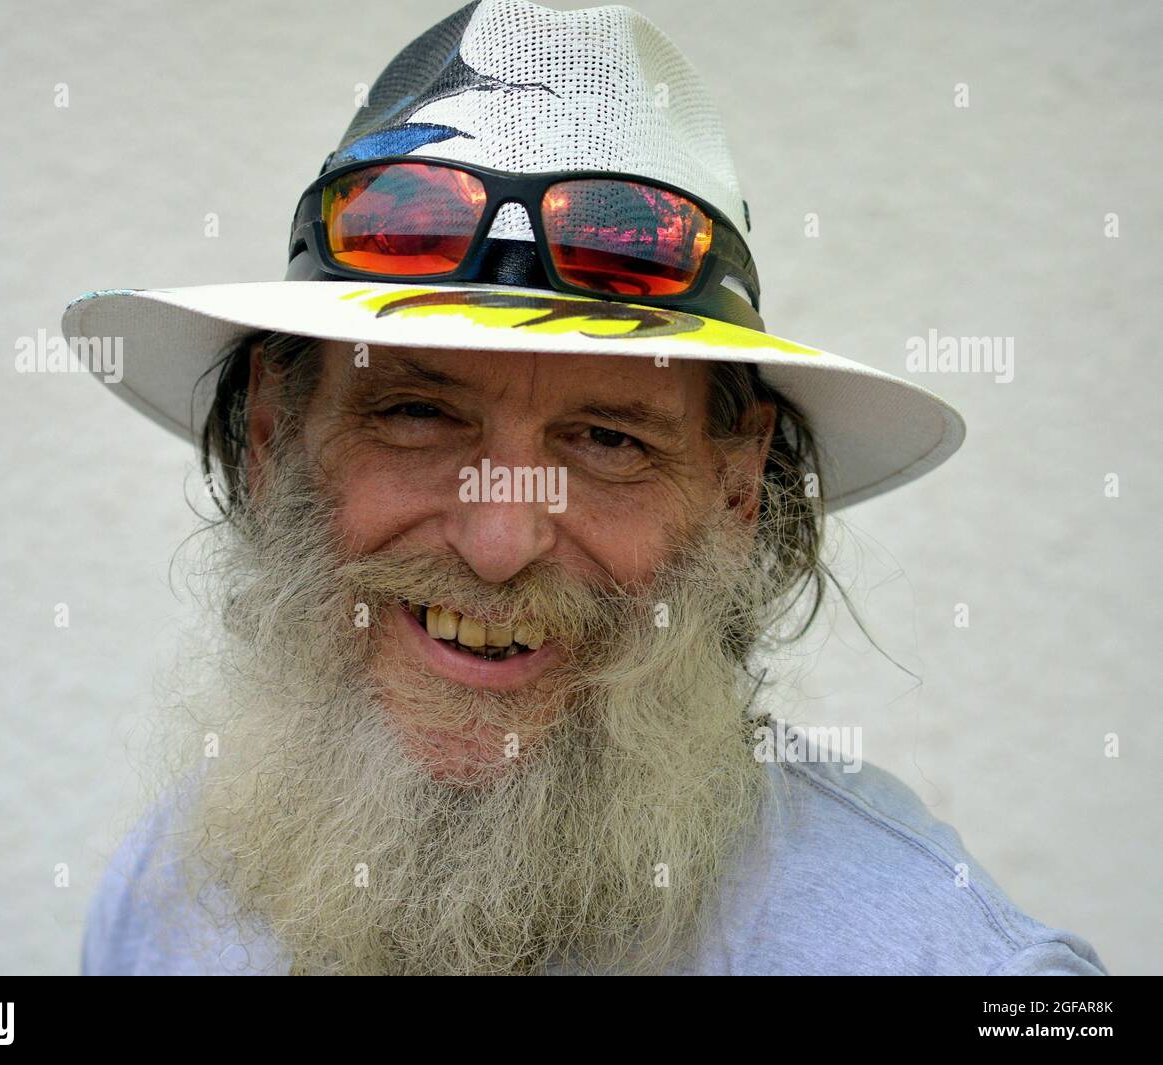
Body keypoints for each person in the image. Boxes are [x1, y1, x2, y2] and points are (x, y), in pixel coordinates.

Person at [63, 0, 1105, 975]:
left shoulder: (939, 964)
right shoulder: (175, 890)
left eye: (606, 440)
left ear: (737, 493)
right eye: (417, 414)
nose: (497, 540)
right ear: (269, 442)